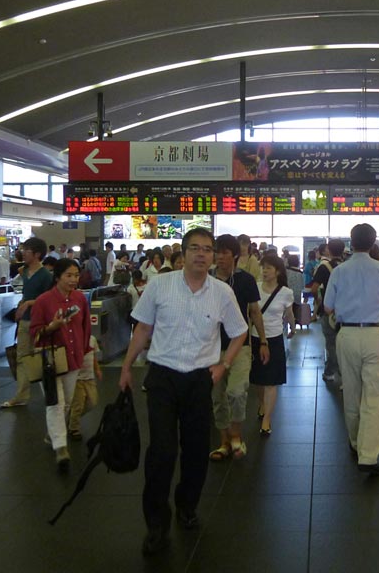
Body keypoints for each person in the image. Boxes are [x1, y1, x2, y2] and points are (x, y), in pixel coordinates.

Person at [119, 227, 247, 555]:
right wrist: (126, 366)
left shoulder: (221, 292)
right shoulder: (160, 285)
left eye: (208, 249)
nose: (202, 255)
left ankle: (187, 506)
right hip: (162, 376)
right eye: (195, 249)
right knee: (162, 451)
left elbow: (239, 333)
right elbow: (143, 328)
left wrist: (223, 365)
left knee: (194, 452)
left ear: (215, 255)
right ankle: (156, 524)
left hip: (199, 380)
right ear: (184, 253)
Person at [324, 223, 379, 475]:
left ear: (350, 241)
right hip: (375, 334)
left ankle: (355, 442)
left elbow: (327, 307)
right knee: (374, 396)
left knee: (352, 392)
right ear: (374, 241)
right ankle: (368, 456)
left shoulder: (339, 271)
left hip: (346, 334)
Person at [29, 258, 91, 470]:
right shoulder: (44, 301)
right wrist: (52, 326)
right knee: (55, 402)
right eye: (69, 275)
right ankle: (61, 448)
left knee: (66, 402)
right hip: (51, 360)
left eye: (76, 275)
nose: (73, 280)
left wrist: (84, 352)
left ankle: (53, 434)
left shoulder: (80, 299)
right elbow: (35, 332)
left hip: (73, 359)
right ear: (58, 277)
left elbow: (85, 328)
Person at [209, 234, 266, 462]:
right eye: (217, 252)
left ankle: (235, 434)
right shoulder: (207, 280)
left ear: (234, 254)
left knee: (236, 391)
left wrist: (263, 340)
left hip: (240, 345)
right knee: (217, 397)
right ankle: (224, 441)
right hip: (211, 349)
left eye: (224, 252)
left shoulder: (246, 280)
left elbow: (254, 311)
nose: (219, 257)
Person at [0, 238, 55, 408]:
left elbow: (48, 299)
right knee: (22, 357)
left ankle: (51, 393)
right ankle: (21, 394)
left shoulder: (46, 275)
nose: (23, 253)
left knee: (44, 357)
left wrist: (29, 303)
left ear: (37, 254)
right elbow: (27, 294)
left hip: (40, 323)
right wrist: (21, 305)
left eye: (27, 250)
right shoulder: (24, 272)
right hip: (25, 321)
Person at [251, 256, 295, 435]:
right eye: (263, 268)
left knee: (271, 381)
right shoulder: (255, 289)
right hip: (255, 338)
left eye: (269, 268)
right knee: (258, 381)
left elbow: (289, 313)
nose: (265, 271)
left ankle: (267, 420)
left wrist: (293, 327)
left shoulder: (286, 292)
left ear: (278, 271)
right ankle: (262, 404)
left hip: (275, 338)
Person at [311, 238, 345, 384]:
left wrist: (318, 301)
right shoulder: (348, 266)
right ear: (343, 250)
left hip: (329, 311)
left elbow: (314, 288)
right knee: (344, 343)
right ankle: (345, 374)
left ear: (328, 250)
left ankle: (330, 372)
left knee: (331, 343)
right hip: (347, 311)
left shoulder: (324, 267)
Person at [68, 333, 102, 440]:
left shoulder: (92, 339)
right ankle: (74, 428)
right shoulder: (71, 339)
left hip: (89, 376)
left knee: (92, 402)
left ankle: (72, 418)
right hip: (76, 377)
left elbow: (93, 357)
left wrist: (97, 369)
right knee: (78, 404)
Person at [285, 254, 305, 334]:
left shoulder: (286, 271)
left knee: (287, 310)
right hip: (297, 294)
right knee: (296, 309)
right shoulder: (300, 273)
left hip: (287, 294)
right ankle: (296, 323)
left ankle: (287, 323)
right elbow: (303, 285)